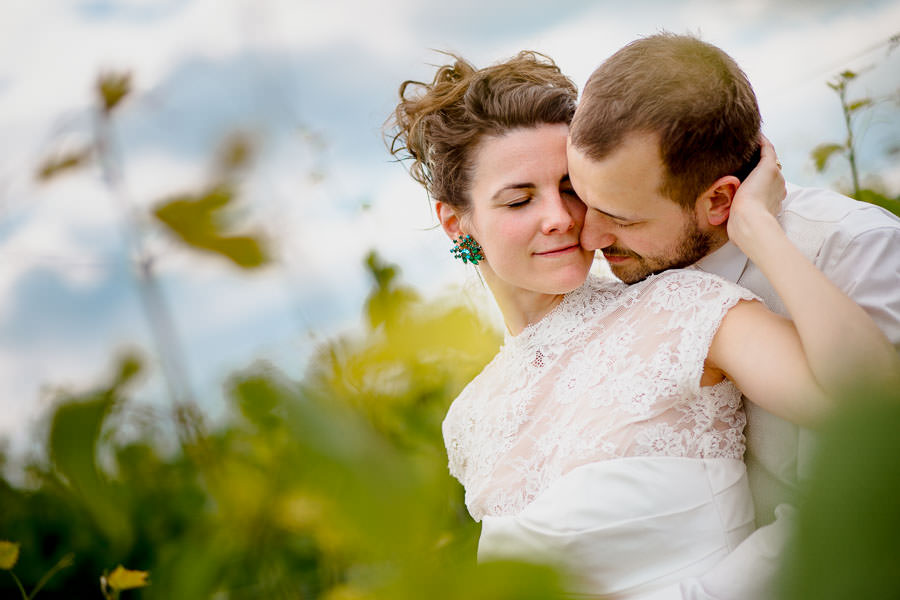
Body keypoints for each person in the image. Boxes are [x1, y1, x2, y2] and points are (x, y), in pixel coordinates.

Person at [386, 51, 898, 598]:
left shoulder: (679, 303)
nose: (560, 217)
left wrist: (757, 228)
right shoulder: (468, 418)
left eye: (570, 189)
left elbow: (874, 413)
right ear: (455, 223)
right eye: (519, 199)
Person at [567, 32, 900, 599]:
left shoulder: (855, 247)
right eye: (582, 200)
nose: (590, 236)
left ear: (720, 201)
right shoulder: (624, 280)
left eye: (620, 217)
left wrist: (763, 236)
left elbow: (875, 474)